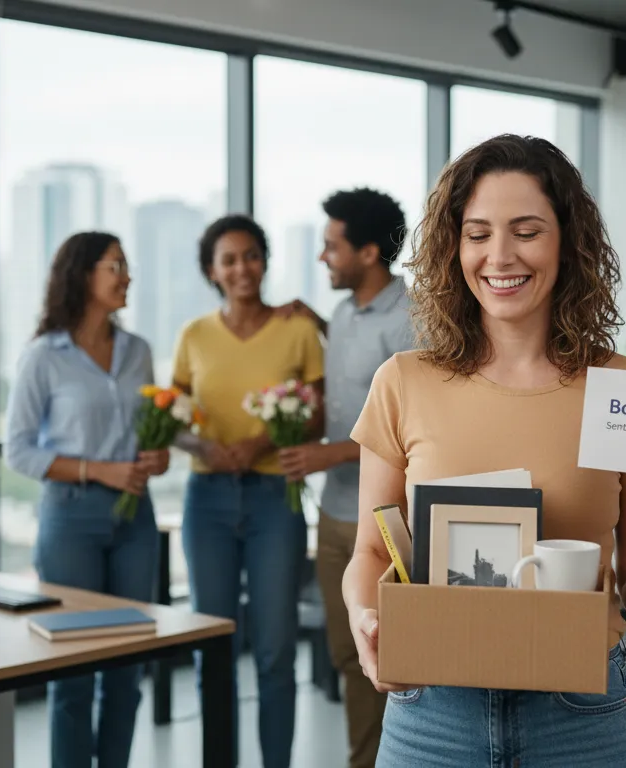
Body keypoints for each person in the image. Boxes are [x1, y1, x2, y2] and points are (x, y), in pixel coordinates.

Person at [340, 135, 626, 767]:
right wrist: (366, 621)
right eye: (477, 233)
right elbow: (368, 549)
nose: (500, 256)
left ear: (567, 243)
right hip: (431, 716)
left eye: (526, 231)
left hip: (579, 718)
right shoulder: (403, 381)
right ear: (453, 247)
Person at [3, 231, 169, 768]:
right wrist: (101, 470)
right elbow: (19, 451)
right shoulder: (43, 357)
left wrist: (155, 456)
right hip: (70, 519)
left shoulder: (138, 351)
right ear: (81, 275)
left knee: (127, 670)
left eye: (127, 265)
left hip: (134, 520)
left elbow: (146, 433)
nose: (127, 276)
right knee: (72, 675)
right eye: (115, 265)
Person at [170, 214, 325, 768]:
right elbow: (175, 417)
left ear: (265, 260)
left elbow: (316, 416)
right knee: (213, 645)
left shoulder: (297, 330)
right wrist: (203, 448)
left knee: (275, 649)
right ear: (212, 271)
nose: (242, 268)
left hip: (273, 500)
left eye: (251, 255)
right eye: (229, 260)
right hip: (207, 500)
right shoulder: (193, 335)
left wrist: (260, 442)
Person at [276, 188, 415, 768]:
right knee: (347, 654)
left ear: (366, 253)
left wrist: (326, 455)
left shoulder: (411, 321)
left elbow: (412, 430)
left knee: (392, 658)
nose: (322, 258)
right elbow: (353, 385)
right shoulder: (340, 314)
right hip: (335, 516)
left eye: (332, 247)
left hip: (386, 521)